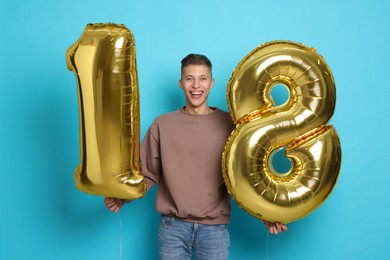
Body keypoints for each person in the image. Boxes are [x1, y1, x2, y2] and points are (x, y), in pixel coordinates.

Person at [104, 53, 288, 259]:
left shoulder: (231, 126)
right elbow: (146, 172)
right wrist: (123, 197)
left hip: (214, 230)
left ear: (212, 83)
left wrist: (265, 215)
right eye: (189, 78)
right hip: (172, 228)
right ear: (181, 83)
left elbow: (245, 178)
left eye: (202, 78)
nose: (196, 85)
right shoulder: (162, 124)